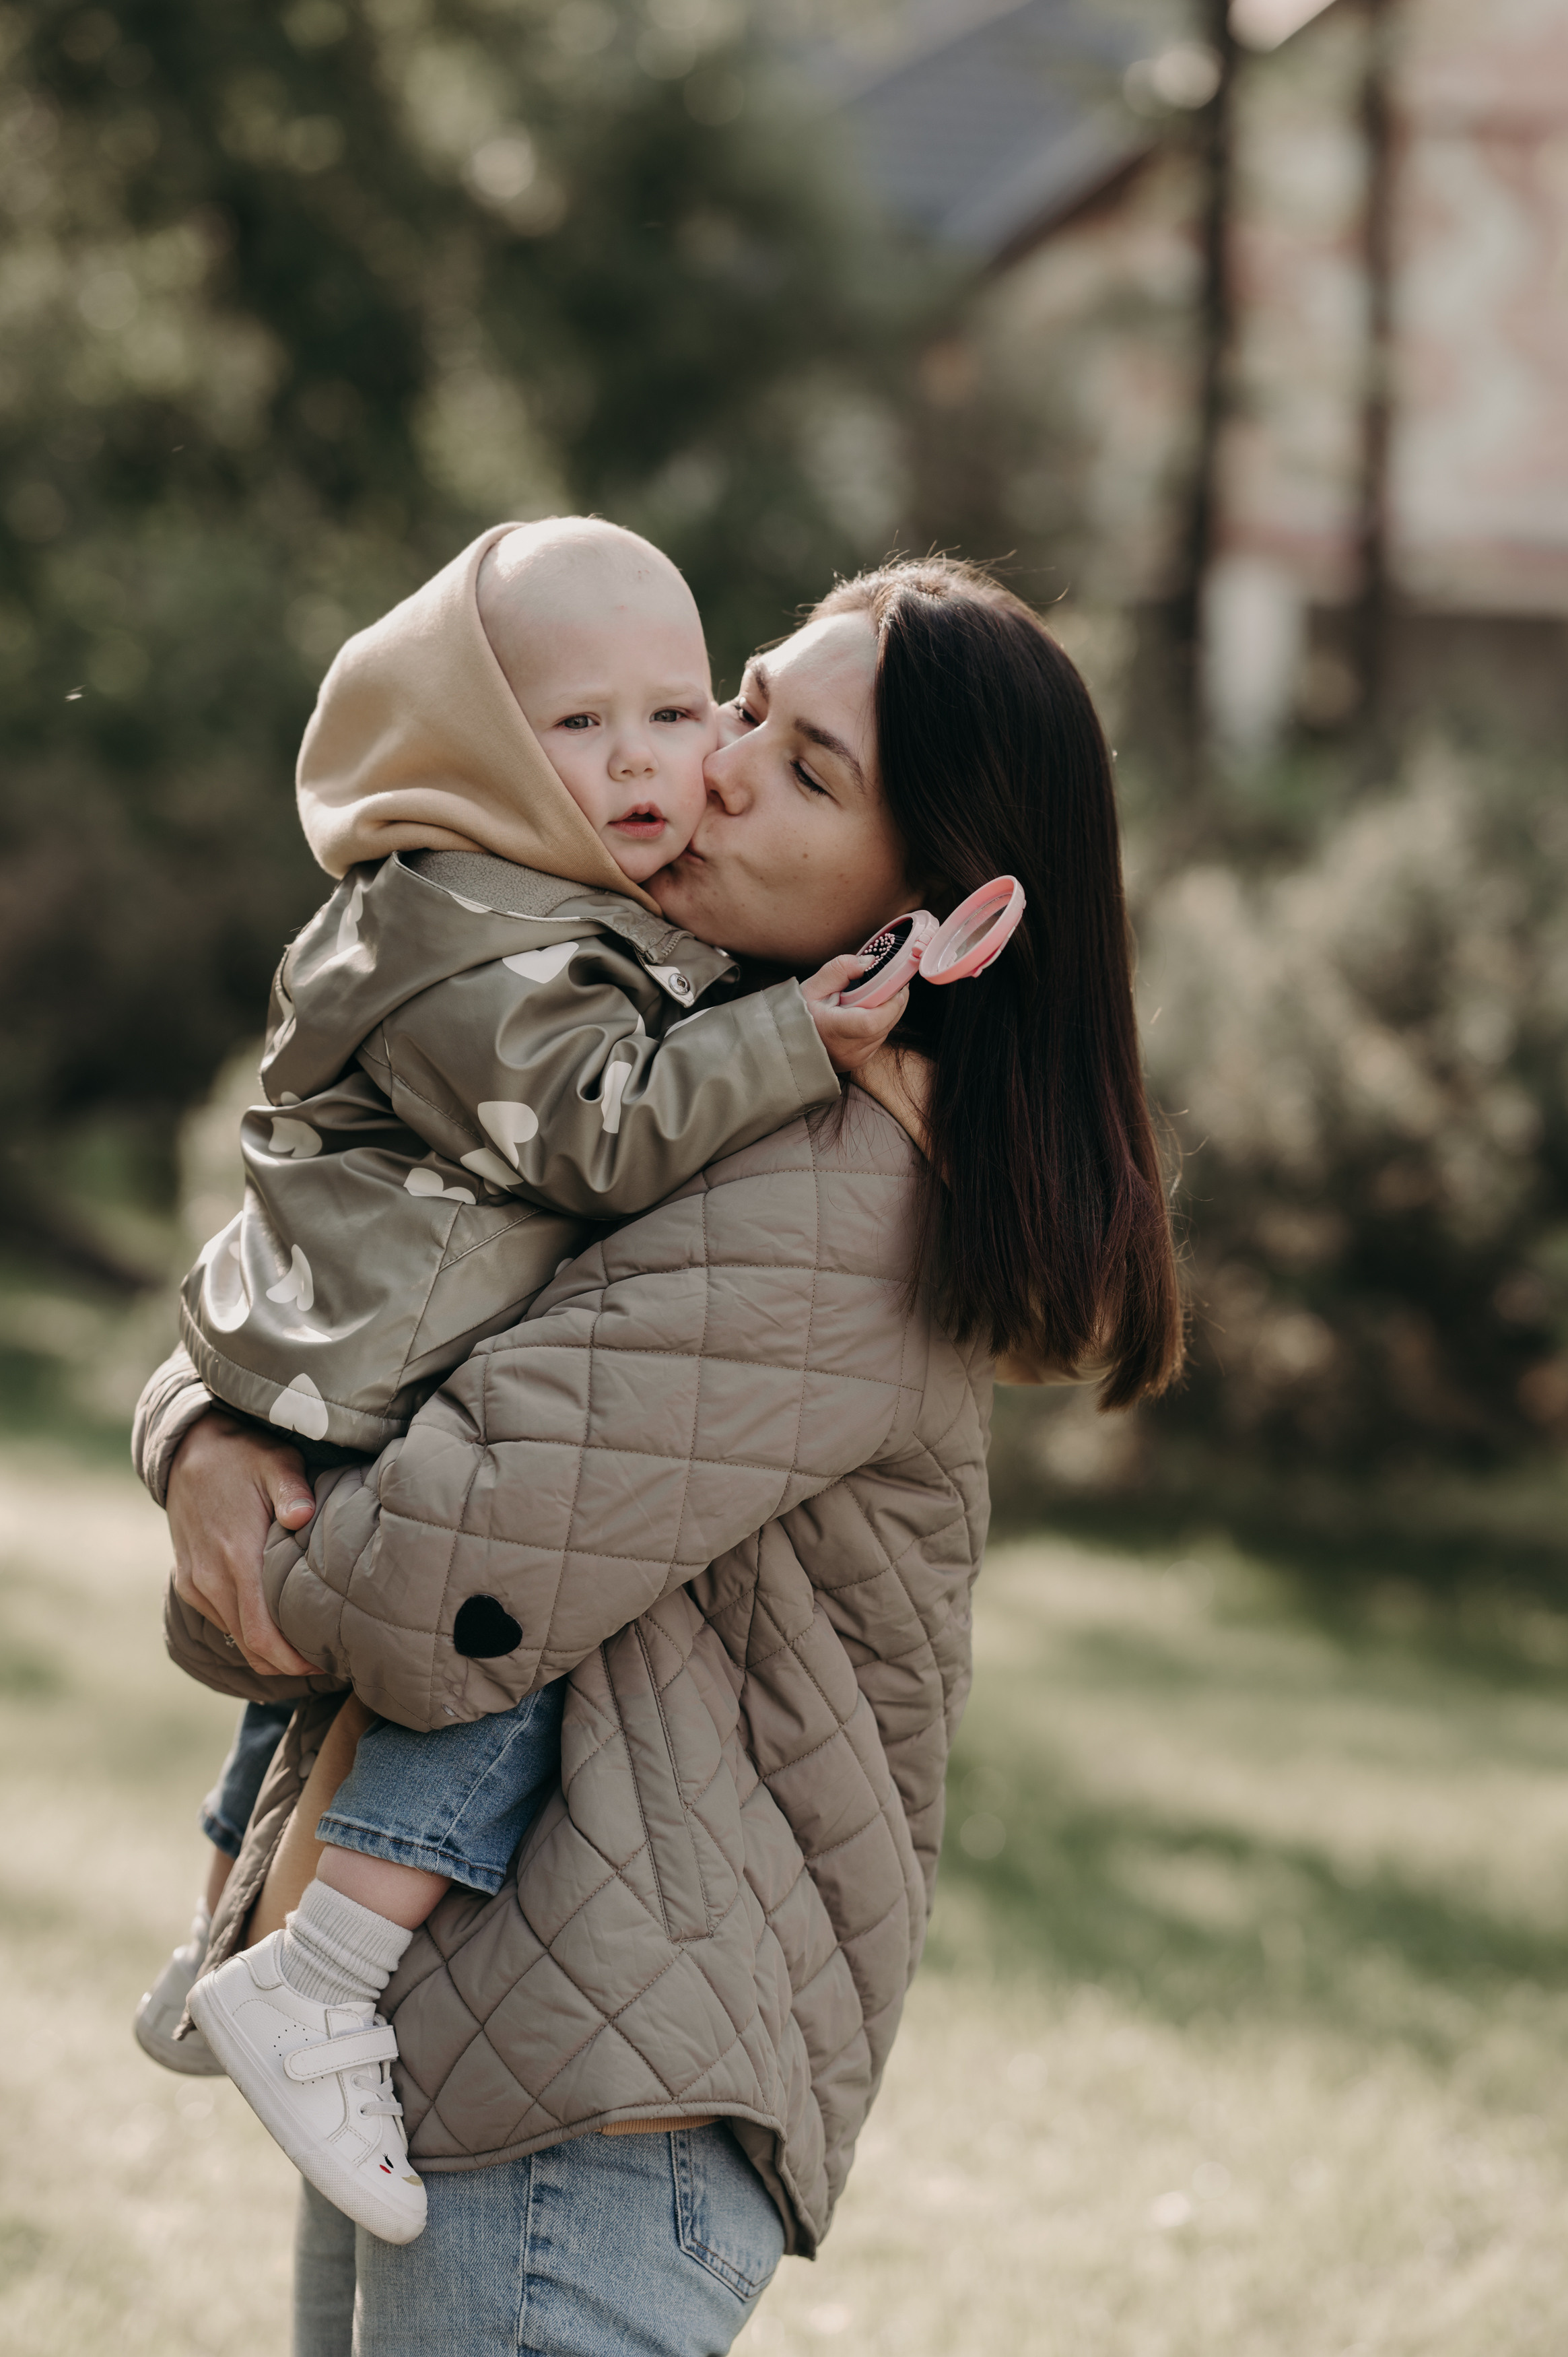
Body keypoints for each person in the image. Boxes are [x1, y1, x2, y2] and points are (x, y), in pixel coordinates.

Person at [137, 556, 1184, 2357]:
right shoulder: (654, 1046)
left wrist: (242, 1508)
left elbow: (430, 1581)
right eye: (746, 703)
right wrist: (197, 1425)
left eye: (805, 771)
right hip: (459, 2018)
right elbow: (353, 1274)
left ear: (931, 907)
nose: (709, 765)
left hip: (592, 2089)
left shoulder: (847, 1186)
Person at [133, 517, 906, 2241]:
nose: (665, 767)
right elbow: (594, 1135)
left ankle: (234, 1936)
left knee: (420, 1634)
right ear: (478, 744)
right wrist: (792, 1037)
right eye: (582, 725)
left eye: (679, 715)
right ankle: (307, 1961)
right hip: (394, 1396)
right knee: (507, 1630)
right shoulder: (494, 932)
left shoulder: (529, 918)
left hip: (368, 1379)